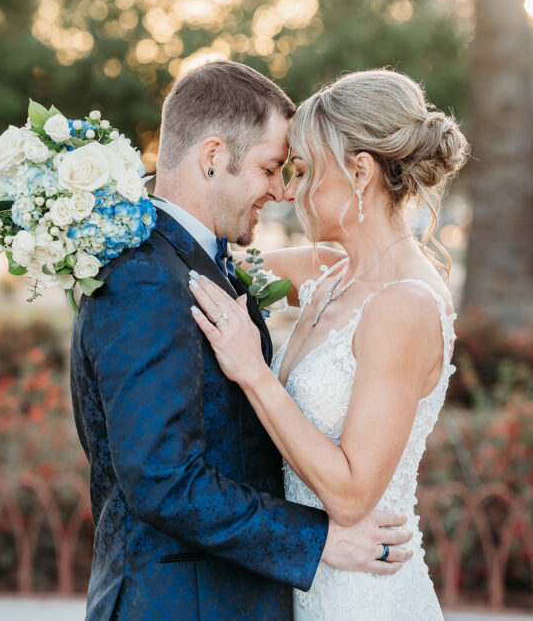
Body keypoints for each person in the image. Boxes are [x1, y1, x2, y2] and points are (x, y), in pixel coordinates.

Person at [69, 60, 413, 621]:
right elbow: (161, 478)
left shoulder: (196, 262)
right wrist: (319, 540)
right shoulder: (144, 279)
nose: (281, 191)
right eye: (270, 168)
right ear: (212, 158)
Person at [189, 69, 468, 619]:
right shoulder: (331, 270)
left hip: (362, 592)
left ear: (359, 171)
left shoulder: (403, 304)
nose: (288, 191)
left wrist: (254, 371)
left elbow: (350, 494)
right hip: (301, 577)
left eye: (302, 170)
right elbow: (194, 263)